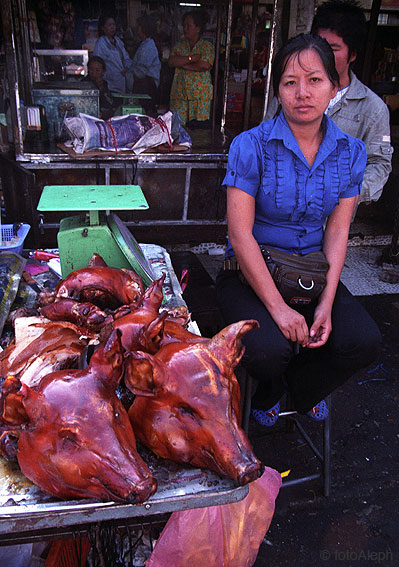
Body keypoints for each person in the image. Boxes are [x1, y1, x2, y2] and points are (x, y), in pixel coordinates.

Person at [216, 34, 381, 427]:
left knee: (363, 340)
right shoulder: (249, 146)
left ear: (335, 87)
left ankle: (303, 388)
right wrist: (278, 308)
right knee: (270, 349)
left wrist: (325, 300)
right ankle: (270, 389)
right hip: (249, 272)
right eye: (290, 82)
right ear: (278, 90)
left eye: (315, 80)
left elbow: (338, 232)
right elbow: (240, 236)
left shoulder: (351, 153)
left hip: (309, 272)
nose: (302, 93)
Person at [266, 0, 393, 206]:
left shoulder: (372, 108)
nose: (322, 55)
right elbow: (265, 144)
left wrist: (346, 198)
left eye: (333, 48)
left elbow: (378, 164)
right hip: (281, 213)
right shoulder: (290, 94)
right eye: (319, 44)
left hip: (332, 219)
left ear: (352, 54)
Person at [168, 10, 214, 129]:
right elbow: (172, 61)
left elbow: (204, 65)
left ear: (198, 28)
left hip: (200, 98)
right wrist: (191, 58)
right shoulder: (180, 45)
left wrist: (183, 63)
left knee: (199, 131)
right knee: (177, 129)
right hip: (180, 95)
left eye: (189, 25)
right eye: (184, 25)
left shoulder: (206, 46)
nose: (185, 28)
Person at [93, 14, 133, 94]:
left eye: (114, 25)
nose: (112, 27)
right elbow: (97, 64)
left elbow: (127, 58)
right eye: (109, 25)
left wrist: (126, 67)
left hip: (122, 82)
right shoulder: (100, 43)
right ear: (103, 28)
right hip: (109, 84)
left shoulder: (118, 42)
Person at [131, 15, 161, 115]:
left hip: (147, 84)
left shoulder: (149, 45)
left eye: (138, 27)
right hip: (143, 83)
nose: (137, 29)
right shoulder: (144, 44)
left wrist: (130, 71)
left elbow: (142, 70)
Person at [87, 56, 116, 120]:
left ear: (103, 71)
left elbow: (109, 103)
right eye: (91, 69)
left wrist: (101, 89)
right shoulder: (84, 83)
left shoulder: (104, 84)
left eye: (97, 70)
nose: (94, 73)